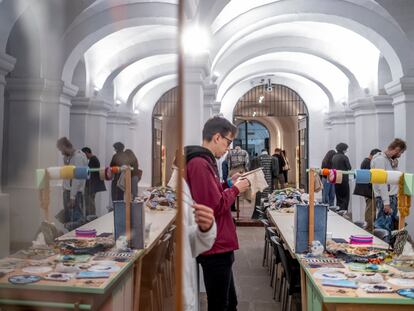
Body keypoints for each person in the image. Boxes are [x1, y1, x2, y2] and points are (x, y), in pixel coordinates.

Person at [185, 116, 250, 311]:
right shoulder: (199, 163)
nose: (228, 148)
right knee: (220, 304)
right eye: (228, 142)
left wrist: (229, 184)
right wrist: (237, 189)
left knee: (229, 302)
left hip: (220, 243)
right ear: (216, 137)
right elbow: (214, 206)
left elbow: (211, 193)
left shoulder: (205, 161)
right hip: (215, 245)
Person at [167, 164, 217, 311]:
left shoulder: (183, 189)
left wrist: (205, 228)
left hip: (182, 286)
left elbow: (189, 243)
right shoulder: (177, 187)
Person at [371, 139, 407, 233]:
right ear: (397, 149)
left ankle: (387, 245)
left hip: (391, 196)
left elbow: (393, 178)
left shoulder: (388, 160)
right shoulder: (380, 160)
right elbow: (381, 182)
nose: (400, 156)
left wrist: (394, 166)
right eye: (401, 153)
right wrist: (386, 203)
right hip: (387, 198)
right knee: (383, 226)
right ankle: (382, 245)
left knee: (389, 226)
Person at [56, 137, 88, 230]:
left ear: (64, 146)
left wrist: (72, 197)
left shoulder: (77, 157)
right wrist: (66, 161)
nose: (61, 153)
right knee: (70, 219)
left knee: (75, 221)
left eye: (61, 150)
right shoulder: (74, 156)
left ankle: (77, 240)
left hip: (73, 192)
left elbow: (77, 178)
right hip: (71, 192)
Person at [353, 148, 381, 232]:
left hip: (367, 189)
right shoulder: (368, 162)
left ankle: (370, 226)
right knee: (371, 209)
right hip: (369, 189)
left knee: (371, 208)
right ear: (373, 155)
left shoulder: (365, 161)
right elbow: (371, 177)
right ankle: (369, 227)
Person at [250, 149, 278, 218]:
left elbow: (252, 171)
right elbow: (276, 173)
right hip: (269, 181)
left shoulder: (256, 159)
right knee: (268, 198)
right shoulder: (273, 159)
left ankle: (258, 215)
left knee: (259, 198)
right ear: (267, 152)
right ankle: (267, 215)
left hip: (260, 181)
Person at [82, 147, 106, 220]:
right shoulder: (94, 159)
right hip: (92, 184)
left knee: (89, 202)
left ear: (86, 152)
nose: (84, 157)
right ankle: (90, 216)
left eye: (84, 154)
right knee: (90, 201)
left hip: (91, 185)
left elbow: (89, 171)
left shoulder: (93, 159)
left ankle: (91, 217)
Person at [332, 143, 352, 211]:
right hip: (344, 179)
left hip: (336, 178)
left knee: (338, 196)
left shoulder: (334, 157)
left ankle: (339, 209)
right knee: (345, 196)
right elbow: (349, 167)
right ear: (343, 150)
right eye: (346, 149)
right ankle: (344, 210)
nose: (346, 151)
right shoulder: (344, 157)